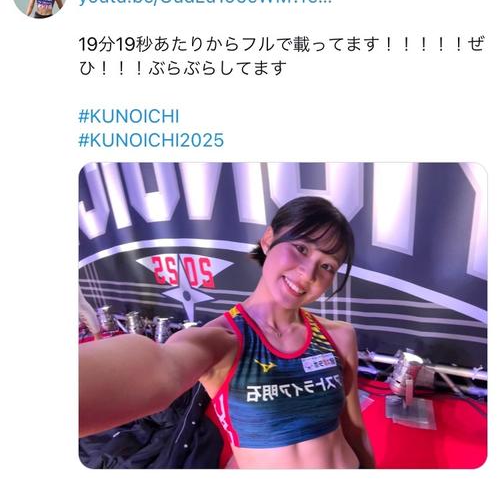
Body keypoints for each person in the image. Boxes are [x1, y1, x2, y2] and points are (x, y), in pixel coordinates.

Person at [79, 196, 375, 469]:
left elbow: (354, 429)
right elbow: (162, 366)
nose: (308, 274)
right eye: (301, 248)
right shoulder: (223, 340)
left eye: (326, 266)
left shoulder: (339, 336)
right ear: (269, 240)